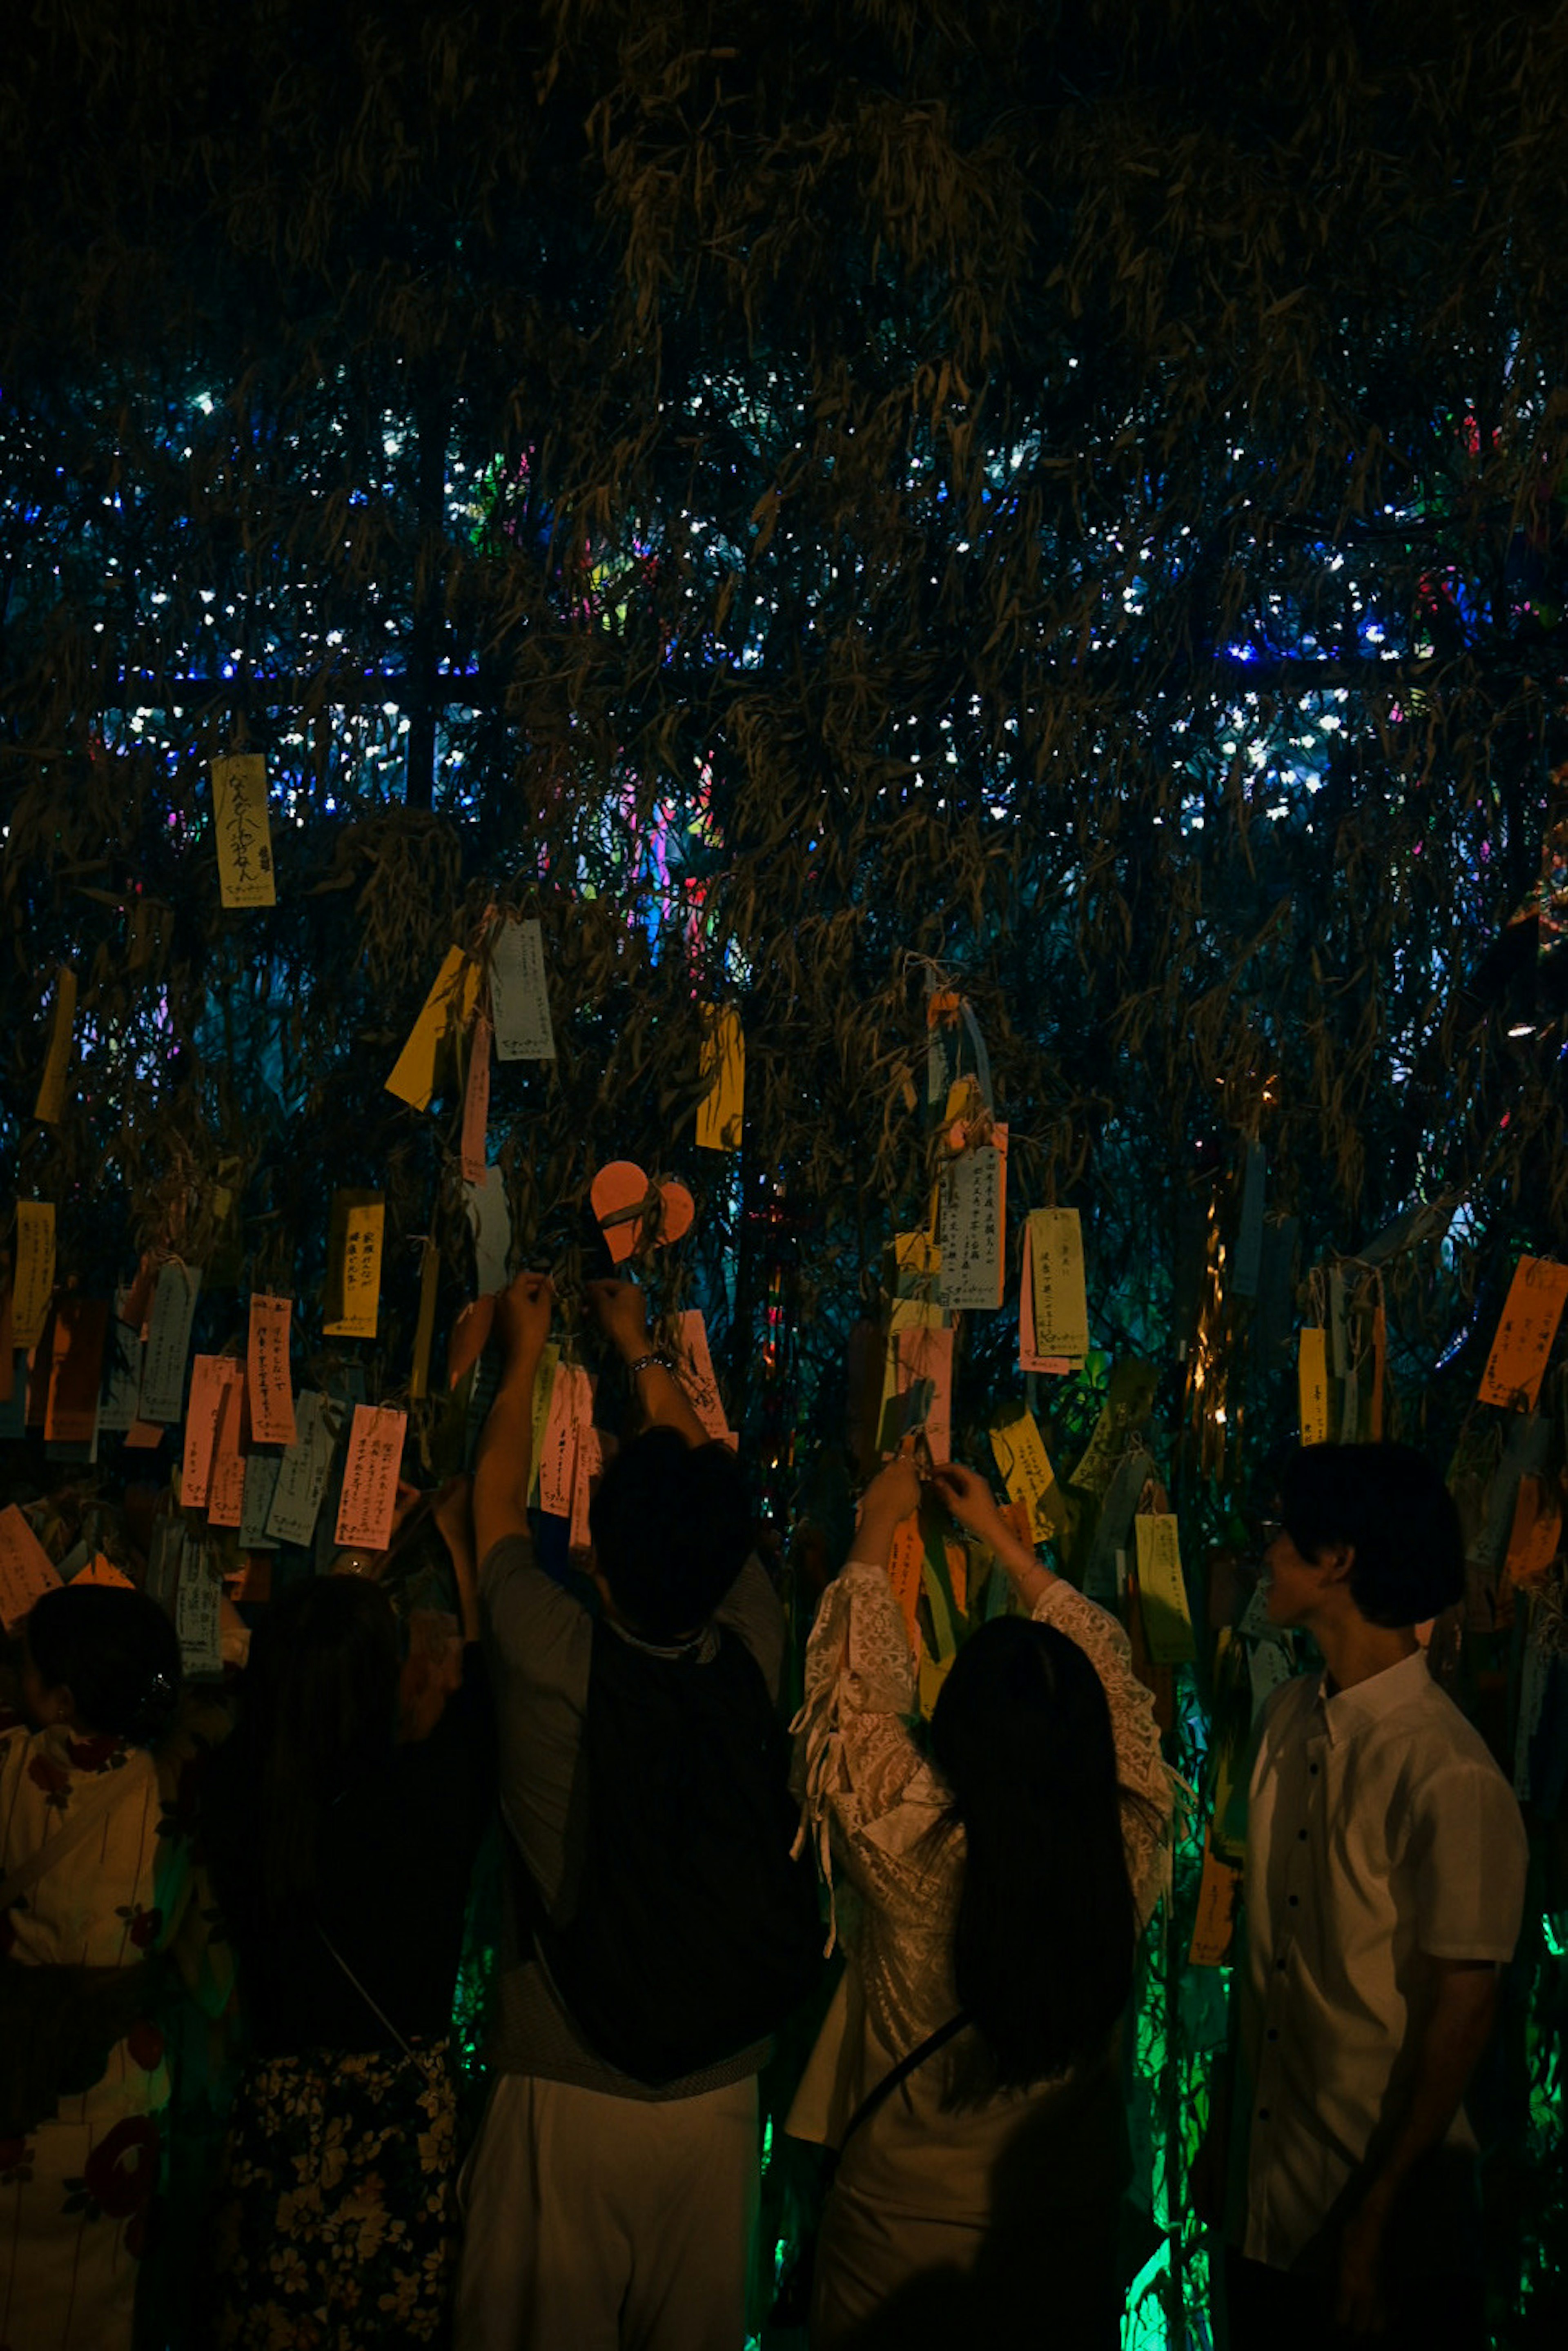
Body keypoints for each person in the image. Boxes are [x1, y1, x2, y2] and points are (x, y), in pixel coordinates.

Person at [455, 1271, 820, 2351]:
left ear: (600, 1565)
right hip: (717, 2105)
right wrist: (643, 1351)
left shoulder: (549, 1650)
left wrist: (525, 1357)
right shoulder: (753, 1642)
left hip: (565, 2082)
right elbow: (715, 1501)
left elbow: (494, 1506)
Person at [787, 1453, 1175, 2350]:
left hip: (898, 2234)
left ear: (953, 1732)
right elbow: (1111, 1675)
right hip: (1065, 2235)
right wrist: (1006, 1542)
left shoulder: (910, 1840)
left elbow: (850, 1701)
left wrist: (879, 1524)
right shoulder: (1128, 1839)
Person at [1218, 1441, 1529, 2350]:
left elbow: (1460, 2014)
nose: (1265, 1552)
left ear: (1339, 1559)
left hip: (1386, 2245)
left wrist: (1381, 2212)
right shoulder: (1285, 1719)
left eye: (1284, 1532)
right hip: (1268, 2213)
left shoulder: (1449, 1772)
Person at [201, 1474, 492, 2349]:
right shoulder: (428, 1805)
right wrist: (458, 1549)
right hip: (399, 2143)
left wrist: (365, 1558)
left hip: (275, 2137)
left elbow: (301, 1673)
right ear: (383, 1686)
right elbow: (488, 1683)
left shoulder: (241, 1801)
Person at [0, 1582, 226, 2351]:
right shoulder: (172, 1780)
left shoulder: (10, 1768)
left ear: (62, 1700)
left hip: (15, 2079)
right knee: (99, 2310)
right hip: (120, 2095)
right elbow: (212, 1710)